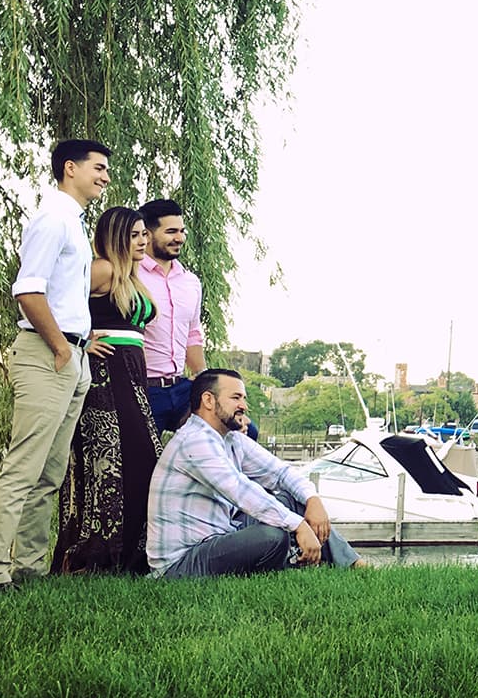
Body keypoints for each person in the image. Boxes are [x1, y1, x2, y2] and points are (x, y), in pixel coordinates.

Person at [0, 140, 110, 591]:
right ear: (69, 169)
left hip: (71, 355)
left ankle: (29, 568)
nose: (106, 177)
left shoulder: (72, 221)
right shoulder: (52, 218)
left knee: (50, 472)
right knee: (23, 466)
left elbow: (64, 295)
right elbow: (28, 290)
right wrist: (59, 348)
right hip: (46, 354)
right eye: (99, 168)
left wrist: (78, 341)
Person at [146, 369, 362, 577]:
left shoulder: (230, 438)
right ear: (208, 400)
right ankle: (296, 561)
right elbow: (241, 491)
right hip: (182, 562)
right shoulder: (194, 440)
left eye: (244, 398)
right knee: (272, 536)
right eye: (236, 398)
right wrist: (298, 525)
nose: (244, 406)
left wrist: (313, 500)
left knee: (296, 501)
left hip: (219, 538)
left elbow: (280, 473)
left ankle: (354, 564)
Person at [51, 206, 165, 574]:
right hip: (107, 372)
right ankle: (98, 553)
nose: (143, 241)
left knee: (141, 457)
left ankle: (134, 553)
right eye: (134, 235)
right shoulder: (103, 268)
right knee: (110, 461)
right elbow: (54, 300)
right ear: (116, 237)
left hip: (133, 373)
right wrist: (81, 340)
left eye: (144, 234)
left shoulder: (131, 277)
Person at [136, 199, 205, 434]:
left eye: (182, 231)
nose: (180, 238)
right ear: (147, 234)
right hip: (143, 387)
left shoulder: (191, 282)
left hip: (181, 388)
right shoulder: (126, 274)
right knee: (142, 464)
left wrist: (202, 379)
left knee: (236, 429)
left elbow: (193, 335)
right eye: (171, 231)